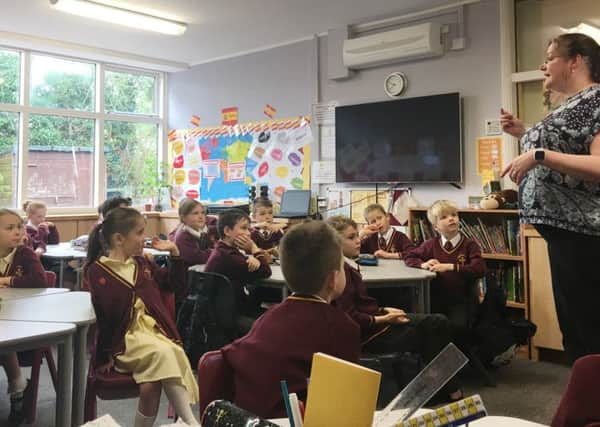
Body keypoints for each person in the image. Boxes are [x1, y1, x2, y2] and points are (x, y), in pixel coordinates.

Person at [499, 33, 600, 362]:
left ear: (576, 61)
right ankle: (586, 403)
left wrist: (538, 154)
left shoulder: (596, 100)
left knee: (587, 331)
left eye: (551, 56)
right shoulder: (572, 105)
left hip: (584, 234)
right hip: (565, 234)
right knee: (576, 328)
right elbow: (569, 143)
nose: (544, 65)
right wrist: (523, 131)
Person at [221, 221, 360, 418]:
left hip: (249, 417)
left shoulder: (267, 318)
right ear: (333, 278)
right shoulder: (342, 327)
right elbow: (343, 405)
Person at [84, 207, 200, 427]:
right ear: (119, 239)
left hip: (153, 334)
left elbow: (177, 287)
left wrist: (175, 255)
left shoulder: (142, 263)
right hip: (125, 341)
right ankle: (190, 421)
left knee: (155, 375)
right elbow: (103, 319)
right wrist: (104, 355)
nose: (144, 238)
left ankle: (188, 421)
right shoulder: (97, 272)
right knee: (166, 352)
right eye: (139, 233)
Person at [327, 215, 462, 401]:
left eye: (357, 235)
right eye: (351, 238)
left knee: (436, 323)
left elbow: (361, 306)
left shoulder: (349, 266)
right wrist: (384, 318)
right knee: (433, 326)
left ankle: (438, 387)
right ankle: (445, 388)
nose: (358, 241)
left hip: (376, 319)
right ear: (334, 242)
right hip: (367, 333)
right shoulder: (339, 272)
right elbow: (350, 317)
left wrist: (384, 310)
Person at [403, 200, 487, 348]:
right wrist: (423, 264)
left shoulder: (469, 245)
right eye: (444, 217)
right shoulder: (430, 245)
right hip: (435, 299)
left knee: (457, 330)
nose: (451, 219)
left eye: (454, 215)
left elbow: (479, 268)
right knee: (428, 327)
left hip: (460, 300)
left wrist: (450, 267)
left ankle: (459, 364)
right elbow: (409, 256)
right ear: (436, 227)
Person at [0, 208, 47, 426]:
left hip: (26, 325)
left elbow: (40, 280)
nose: (17, 232)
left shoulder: (25, 254)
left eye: (19, 227)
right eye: (9, 228)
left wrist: (9, 281)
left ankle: (18, 390)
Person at [204, 209, 271, 326]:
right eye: (244, 228)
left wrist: (253, 257)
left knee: (261, 294)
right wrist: (254, 249)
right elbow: (266, 271)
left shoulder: (223, 250)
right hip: (231, 317)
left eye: (249, 229)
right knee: (276, 321)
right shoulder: (229, 257)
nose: (249, 233)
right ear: (227, 231)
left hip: (228, 311)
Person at [168, 198, 217, 279]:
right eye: (195, 213)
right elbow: (199, 257)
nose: (201, 216)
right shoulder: (183, 236)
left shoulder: (202, 232)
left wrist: (213, 251)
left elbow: (214, 246)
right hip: (187, 280)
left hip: (200, 274)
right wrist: (214, 252)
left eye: (202, 213)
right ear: (183, 218)